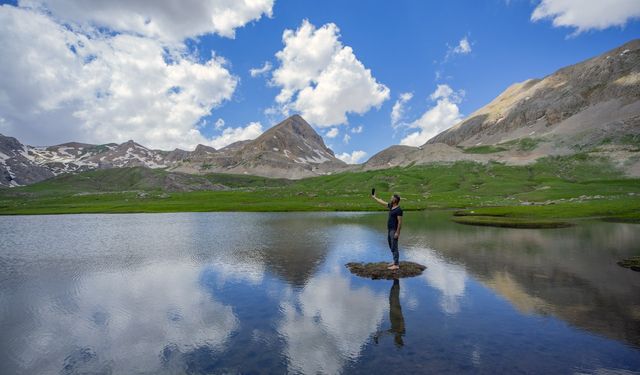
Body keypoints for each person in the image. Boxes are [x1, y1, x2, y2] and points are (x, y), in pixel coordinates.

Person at [371, 192, 403, 270]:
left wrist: (397, 232)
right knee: (391, 246)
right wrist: (375, 197)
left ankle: (396, 265)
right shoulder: (391, 206)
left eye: (392, 198)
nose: (390, 198)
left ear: (395, 200)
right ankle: (394, 261)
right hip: (389, 230)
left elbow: (400, 222)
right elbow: (382, 202)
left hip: (394, 230)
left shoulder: (399, 210)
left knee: (394, 247)